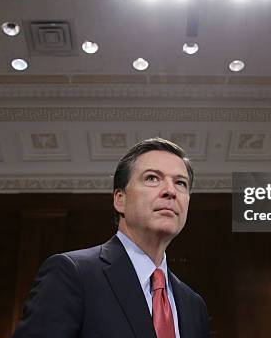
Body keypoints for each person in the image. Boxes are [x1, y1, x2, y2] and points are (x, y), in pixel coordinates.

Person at [12, 138, 210, 338]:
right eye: (152, 178)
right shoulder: (72, 273)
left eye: (180, 183)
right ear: (120, 199)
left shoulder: (193, 304)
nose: (170, 191)